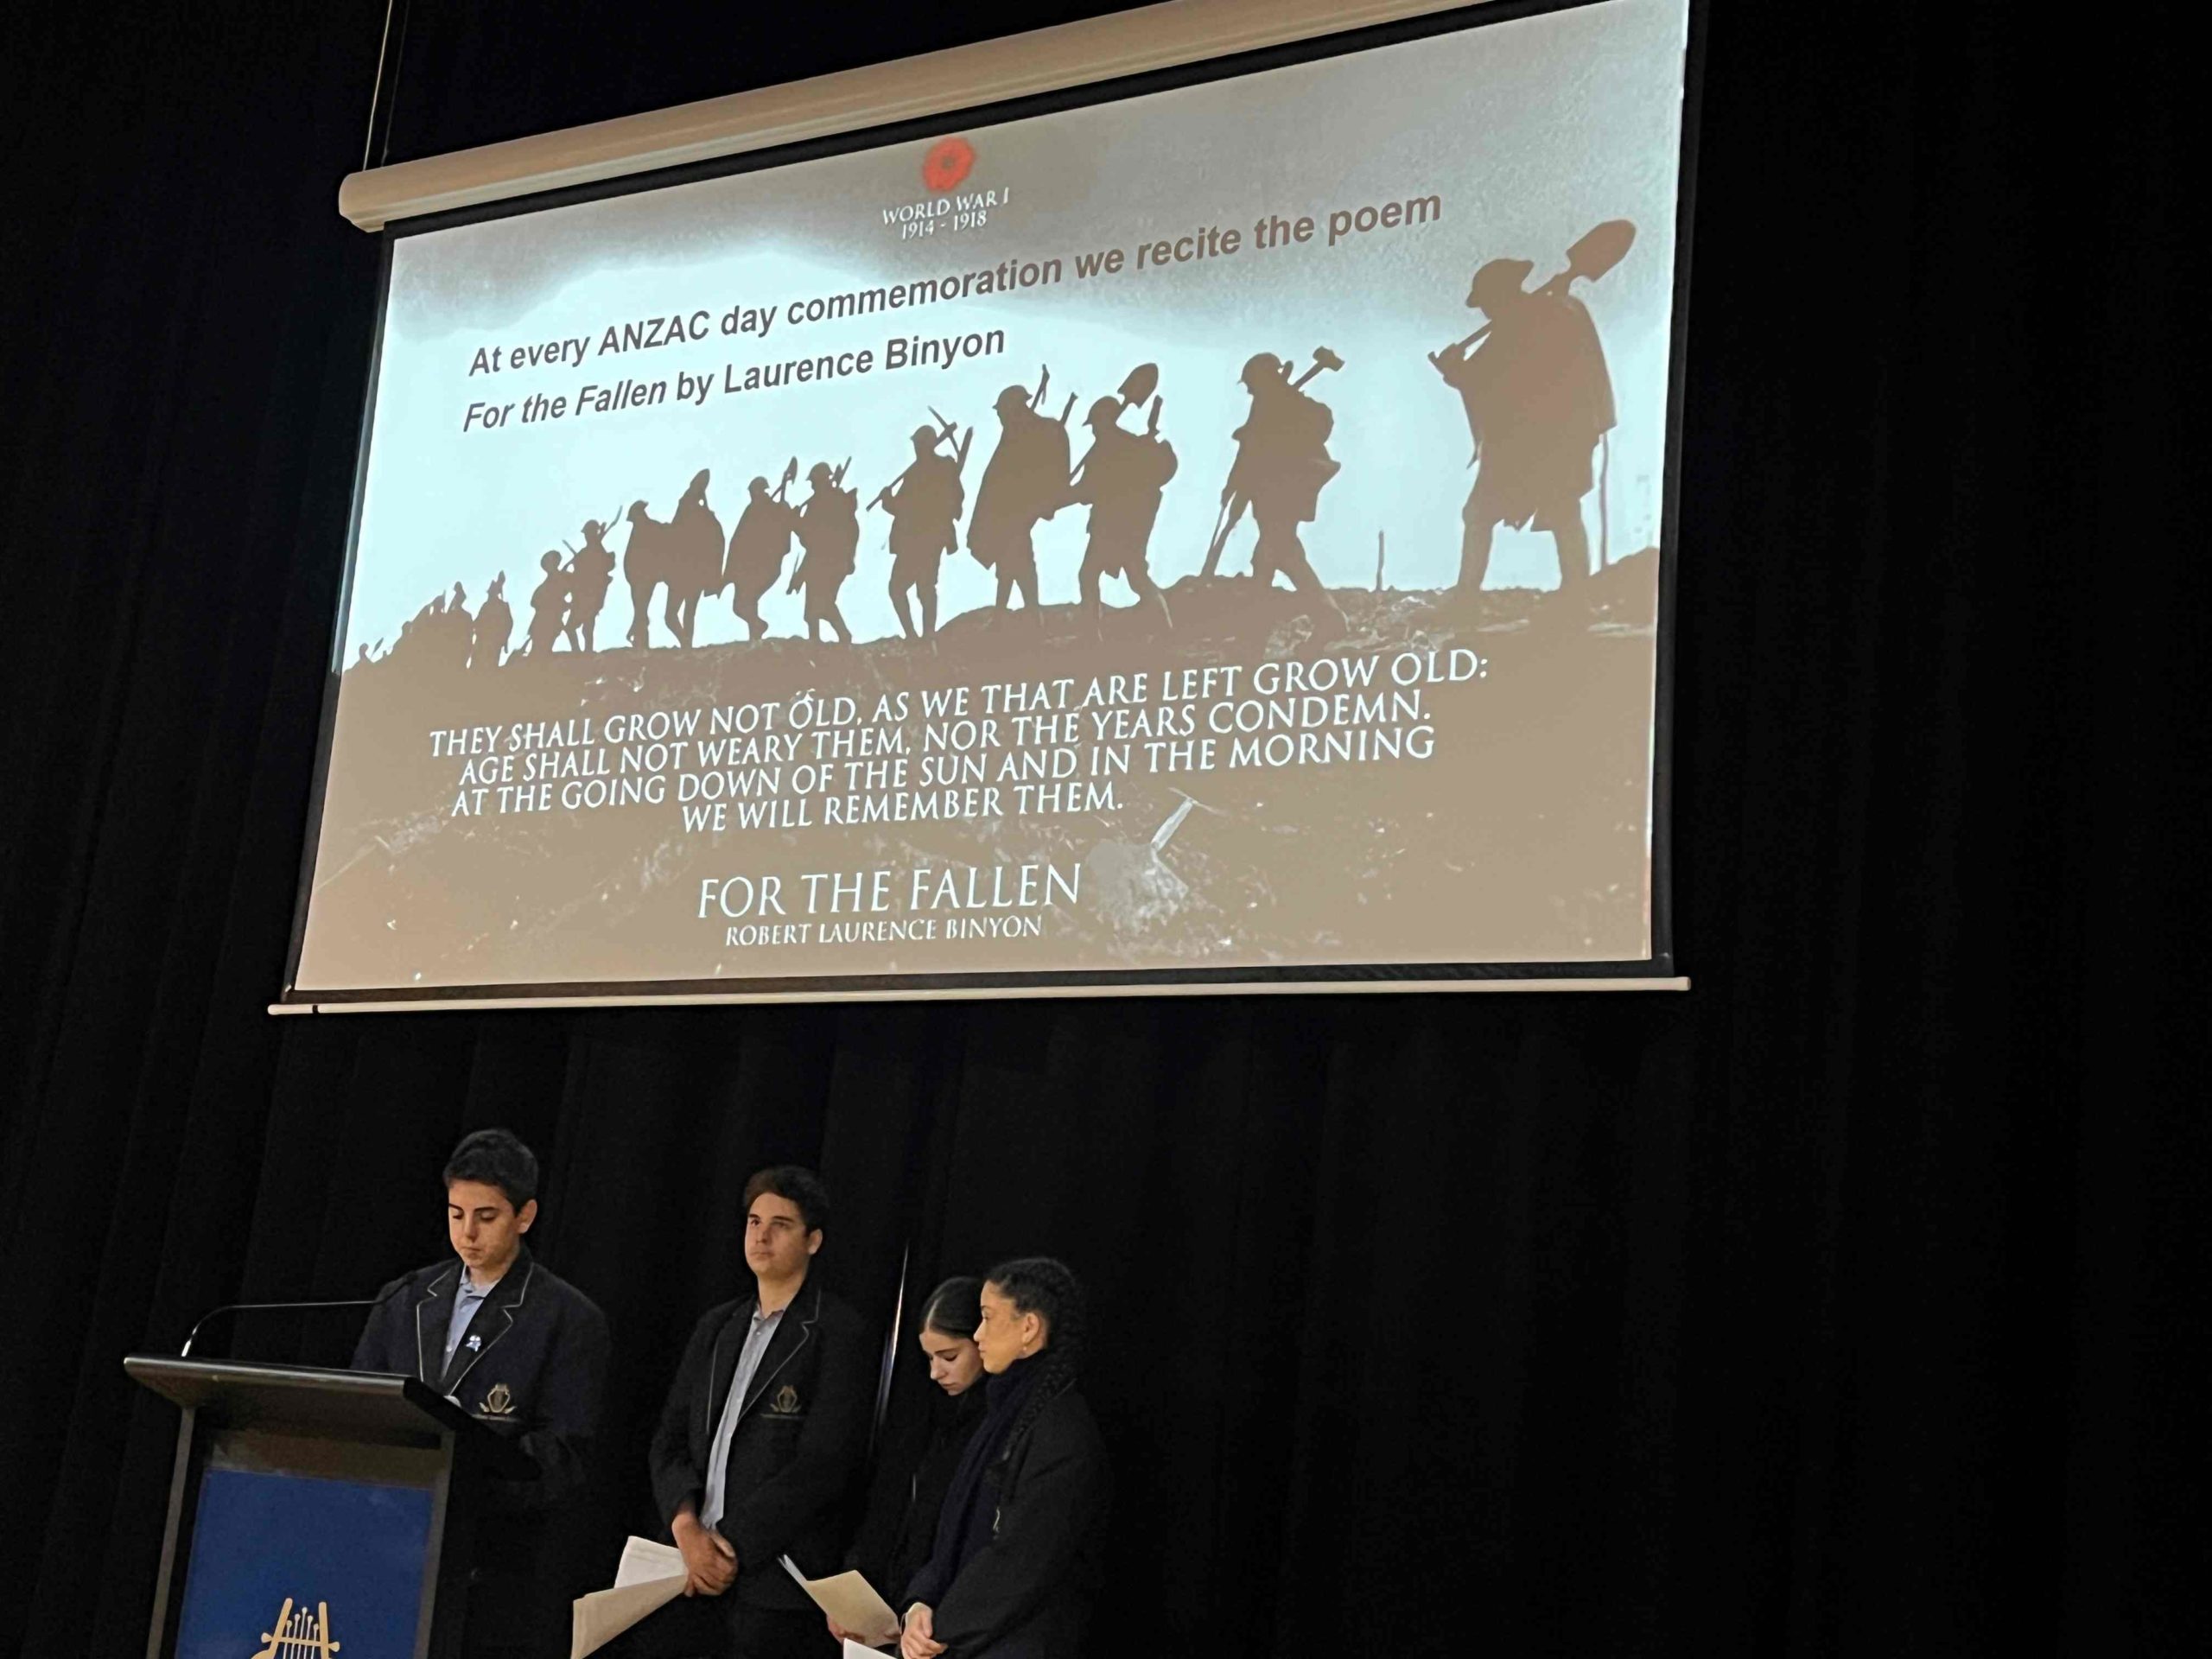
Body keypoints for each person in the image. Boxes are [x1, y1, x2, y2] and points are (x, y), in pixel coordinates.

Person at [352, 1129, 611, 1659]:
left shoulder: (567, 1318)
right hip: (385, 1544)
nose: (467, 1233)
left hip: (490, 1564)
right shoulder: (404, 1299)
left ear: (525, 1215)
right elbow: (358, 1406)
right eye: (455, 1214)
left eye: (486, 1217)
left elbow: (564, 1453)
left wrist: (465, 1479)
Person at [619, 1167, 874, 1659]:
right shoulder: (718, 1325)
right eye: (754, 1221)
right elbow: (669, 1438)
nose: (761, 1234)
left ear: (813, 1240)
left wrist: (728, 1545)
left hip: (773, 1580)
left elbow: (823, 1465)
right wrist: (687, 1529)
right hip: (685, 1567)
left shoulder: (838, 1332)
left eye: (780, 1224)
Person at [899, 1258, 1109, 1659]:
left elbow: (1021, 1563)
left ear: (1028, 1328)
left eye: (987, 1317)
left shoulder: (1062, 1430)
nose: (978, 1334)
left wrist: (940, 1629)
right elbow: (950, 1535)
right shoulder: (1001, 1415)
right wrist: (920, 1603)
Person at [1431, 255, 1616, 594]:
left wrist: (1457, 372)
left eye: (1487, 302)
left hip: (1541, 439)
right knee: (1556, 511)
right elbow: (1488, 379)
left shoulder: (1538, 318)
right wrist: (1458, 373)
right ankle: (1574, 592)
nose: (1485, 312)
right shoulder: (1543, 314)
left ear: (1501, 294)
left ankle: (1471, 594)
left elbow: (1497, 380)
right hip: (1541, 438)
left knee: (1500, 512)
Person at [830, 1278, 989, 1646]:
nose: (936, 1372)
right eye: (930, 1358)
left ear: (982, 1341)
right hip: (896, 1607)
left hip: (942, 1621)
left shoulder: (993, 1428)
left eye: (949, 1357)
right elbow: (885, 1507)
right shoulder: (922, 1412)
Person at [1224, 353, 1344, 626]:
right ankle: (1258, 624)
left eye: (1251, 383)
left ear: (1263, 379)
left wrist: (1236, 485)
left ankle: (1327, 618)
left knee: (1279, 551)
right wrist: (1233, 486)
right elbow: (1249, 448)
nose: (1250, 389)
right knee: (1275, 554)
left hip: (1281, 491)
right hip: (1273, 490)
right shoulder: (1268, 404)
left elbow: (1256, 450)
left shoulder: (1285, 406)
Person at [1067, 397, 1176, 639]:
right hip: (1128, 526)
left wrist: (1060, 497)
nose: (1094, 429)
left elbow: (1087, 492)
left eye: (1095, 424)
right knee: (1135, 576)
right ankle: (1164, 628)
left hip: (1112, 526)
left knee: (1091, 574)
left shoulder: (1109, 449)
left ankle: (1091, 635)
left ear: (1104, 422)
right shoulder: (1125, 445)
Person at [968, 384, 1068, 622]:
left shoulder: (1043, 430)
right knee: (1010, 556)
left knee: (1018, 556)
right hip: (1007, 508)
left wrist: (1046, 499)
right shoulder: (1015, 434)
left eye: (1002, 412)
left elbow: (1052, 469)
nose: (1000, 417)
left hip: (1022, 507)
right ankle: (1007, 612)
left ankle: (1028, 612)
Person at [878, 425, 966, 643]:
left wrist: (888, 500)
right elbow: (901, 507)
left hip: (927, 537)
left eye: (919, 445)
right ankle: (916, 635)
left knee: (921, 587)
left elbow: (906, 506)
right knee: (901, 588)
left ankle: (926, 635)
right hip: (916, 539)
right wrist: (888, 500)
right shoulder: (920, 472)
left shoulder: (936, 469)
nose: (917, 449)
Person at [725, 475, 803, 640]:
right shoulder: (754, 510)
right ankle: (756, 629)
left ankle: (756, 630)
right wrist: (729, 573)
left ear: (761, 491)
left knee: (747, 601)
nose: (752, 495)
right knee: (740, 606)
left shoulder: (773, 509)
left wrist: (791, 514)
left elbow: (787, 528)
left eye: (754, 492)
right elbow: (738, 540)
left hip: (765, 565)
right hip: (748, 566)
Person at [789, 462, 859, 645]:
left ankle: (842, 635)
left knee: (823, 603)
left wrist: (796, 522)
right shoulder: (833, 501)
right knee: (814, 608)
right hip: (823, 561)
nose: (812, 486)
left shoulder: (824, 503)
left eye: (813, 482)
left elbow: (810, 537)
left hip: (829, 561)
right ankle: (816, 641)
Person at [567, 519, 617, 652]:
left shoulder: (598, 551)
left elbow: (606, 567)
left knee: (586, 627)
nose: (587, 536)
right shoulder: (588, 551)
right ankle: (578, 651)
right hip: (581, 595)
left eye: (588, 534)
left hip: (592, 595)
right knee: (572, 627)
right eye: (586, 534)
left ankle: (586, 651)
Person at [524, 550, 569, 657]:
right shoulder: (546, 584)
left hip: (552, 617)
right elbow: (534, 601)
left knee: (546, 643)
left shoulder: (563, 577)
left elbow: (569, 590)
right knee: (538, 646)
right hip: (542, 618)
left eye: (550, 563)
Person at [474, 572, 513, 668]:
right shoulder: (486, 606)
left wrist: (504, 639)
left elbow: (509, 624)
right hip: (482, 642)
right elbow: (477, 622)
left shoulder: (502, 606)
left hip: (493, 642)